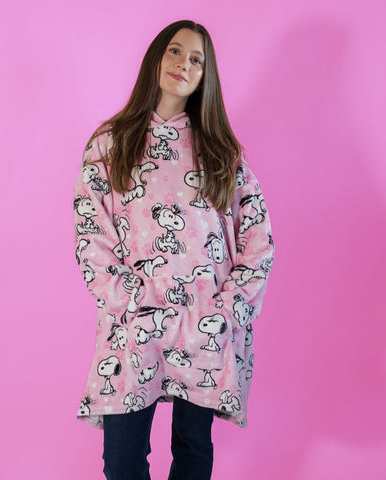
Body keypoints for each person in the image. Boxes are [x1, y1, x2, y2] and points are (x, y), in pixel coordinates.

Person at [73, 19, 275, 480]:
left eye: (197, 59)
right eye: (176, 51)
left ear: (206, 76)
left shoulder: (221, 152)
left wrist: (228, 308)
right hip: (134, 324)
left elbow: (258, 237)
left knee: (192, 450)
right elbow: (91, 235)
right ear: (157, 58)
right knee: (121, 462)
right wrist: (130, 300)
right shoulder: (110, 144)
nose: (184, 64)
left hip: (202, 325)